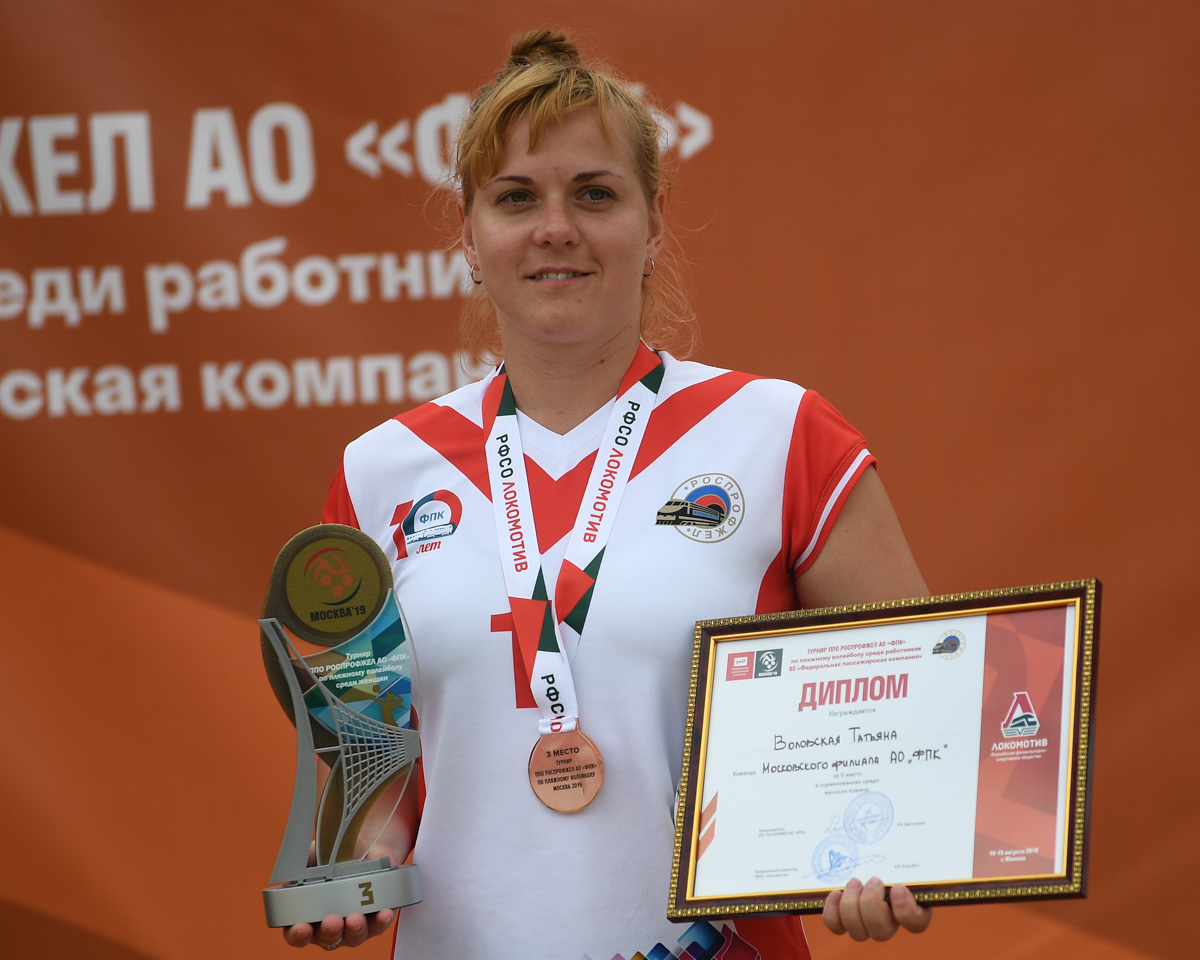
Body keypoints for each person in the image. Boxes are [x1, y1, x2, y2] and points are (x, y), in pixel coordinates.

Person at [286, 29, 933, 959]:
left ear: (654, 223)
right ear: (469, 235)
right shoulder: (380, 472)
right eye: (517, 197)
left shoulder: (782, 433)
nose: (556, 228)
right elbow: (373, 772)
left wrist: (892, 844)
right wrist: (357, 863)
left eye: (594, 193)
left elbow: (914, 707)